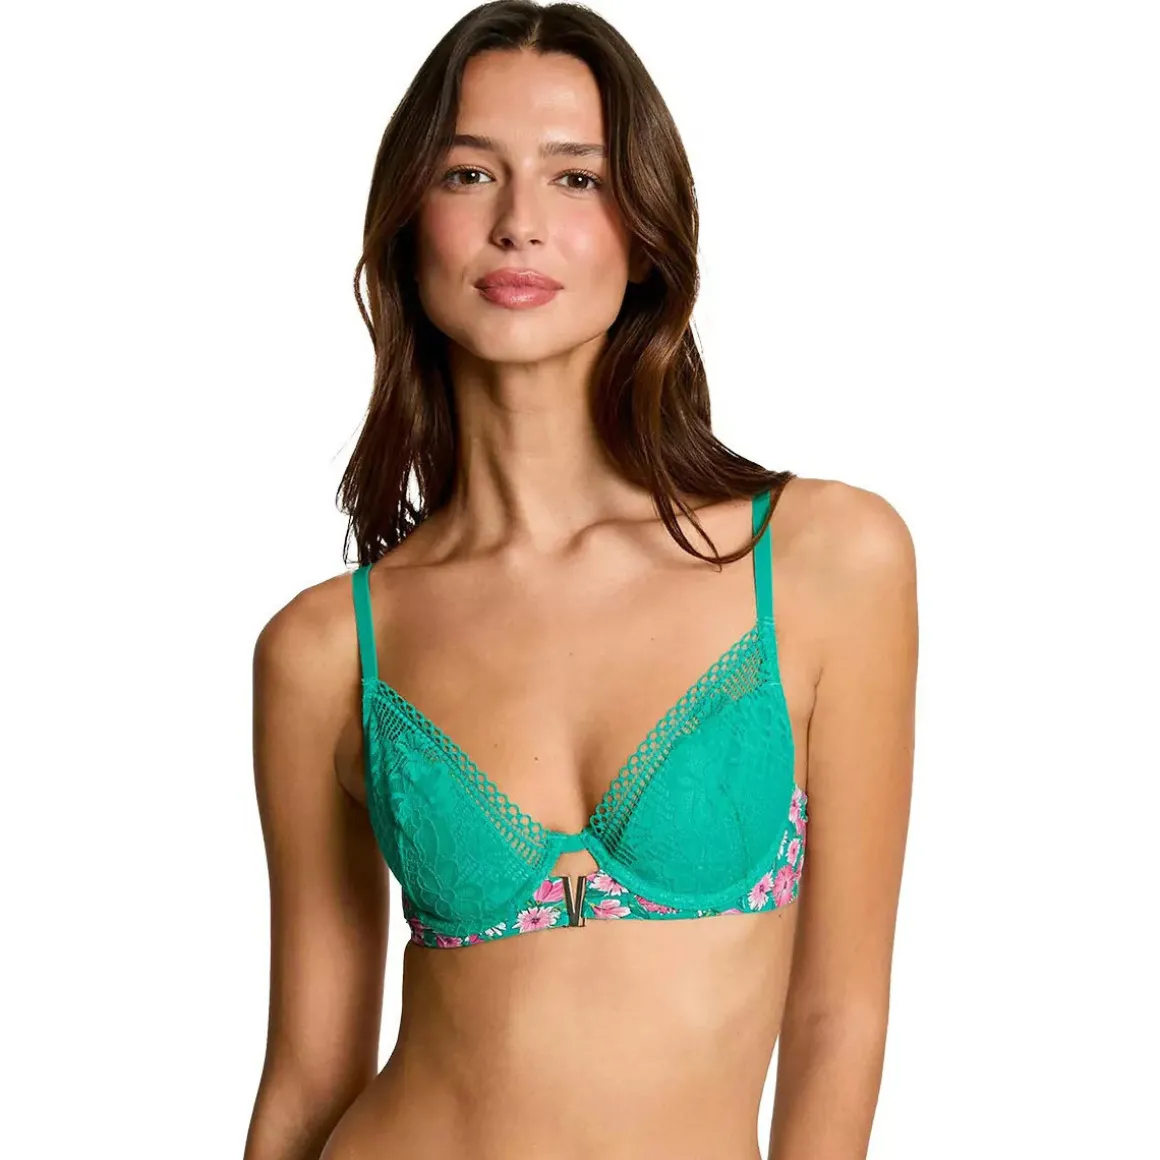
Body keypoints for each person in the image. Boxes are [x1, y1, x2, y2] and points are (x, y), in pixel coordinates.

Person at [244, 4, 917, 1158]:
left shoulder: (822, 559)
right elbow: (309, 1074)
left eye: (574, 178)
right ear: (408, 226)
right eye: (468, 174)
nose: (518, 223)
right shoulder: (328, 647)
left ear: (644, 232)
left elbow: (836, 1019)